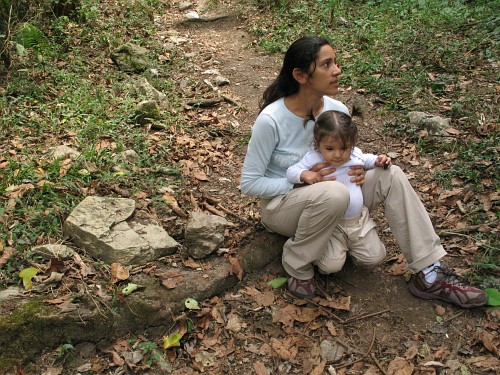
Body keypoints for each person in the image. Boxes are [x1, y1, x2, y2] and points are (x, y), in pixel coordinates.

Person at [239, 35, 487, 308]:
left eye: (335, 62)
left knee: (390, 175)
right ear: (300, 75)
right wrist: (303, 183)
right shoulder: (271, 120)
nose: (337, 70)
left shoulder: (336, 110)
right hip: (284, 208)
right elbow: (250, 183)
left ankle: (429, 272)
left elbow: (346, 155)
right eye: (327, 64)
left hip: (337, 199)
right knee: (332, 193)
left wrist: (358, 168)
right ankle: (299, 265)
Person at [286, 110, 390, 278]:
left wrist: (379, 160)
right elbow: (291, 171)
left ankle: (352, 250)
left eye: (344, 148)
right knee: (329, 267)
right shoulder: (314, 158)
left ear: (352, 145)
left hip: (358, 223)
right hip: (331, 226)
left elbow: (369, 160)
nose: (337, 154)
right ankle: (323, 250)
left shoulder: (355, 156)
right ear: (317, 144)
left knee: (376, 257)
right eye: (329, 148)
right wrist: (305, 174)